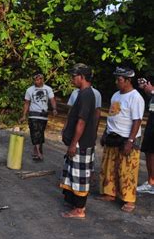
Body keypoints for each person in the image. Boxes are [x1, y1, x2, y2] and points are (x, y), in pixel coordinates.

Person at [98, 66, 144, 213]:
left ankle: (129, 200)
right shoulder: (116, 95)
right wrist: (105, 133)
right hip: (113, 136)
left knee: (127, 170)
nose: (117, 82)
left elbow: (137, 121)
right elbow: (111, 115)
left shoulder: (135, 97)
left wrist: (130, 141)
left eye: (119, 80)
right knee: (109, 167)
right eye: (117, 79)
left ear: (128, 80)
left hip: (127, 138)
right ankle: (109, 193)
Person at [60, 64, 97, 219]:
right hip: (78, 142)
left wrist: (74, 143)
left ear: (82, 77)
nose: (72, 79)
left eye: (74, 76)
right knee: (73, 173)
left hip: (81, 144)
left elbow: (81, 122)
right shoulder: (82, 93)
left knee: (80, 175)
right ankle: (74, 202)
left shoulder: (87, 95)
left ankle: (79, 209)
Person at [19, 71, 57, 161]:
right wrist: (24, 115)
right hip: (33, 114)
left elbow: (52, 100)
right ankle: (39, 154)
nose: (37, 81)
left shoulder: (48, 89)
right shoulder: (29, 90)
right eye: (35, 80)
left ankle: (37, 151)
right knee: (34, 133)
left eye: (39, 79)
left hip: (43, 114)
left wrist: (54, 109)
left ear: (42, 79)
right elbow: (26, 103)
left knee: (40, 133)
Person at [136, 79, 154, 194]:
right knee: (148, 150)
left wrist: (152, 91)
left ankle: (152, 183)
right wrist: (146, 89)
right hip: (152, 116)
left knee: (152, 151)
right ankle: (151, 181)